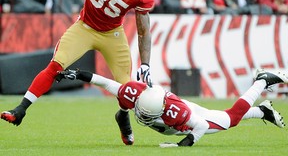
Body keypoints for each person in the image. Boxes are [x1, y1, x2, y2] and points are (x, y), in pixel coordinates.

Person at [0, 0, 155, 146]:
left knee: (127, 87)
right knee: (55, 66)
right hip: (85, 27)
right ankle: (20, 109)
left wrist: (146, 64)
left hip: (112, 34)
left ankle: (123, 115)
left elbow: (144, 30)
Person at [55, 68, 287, 147]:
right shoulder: (133, 93)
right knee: (222, 117)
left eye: (148, 116)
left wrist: (182, 144)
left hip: (188, 119)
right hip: (173, 118)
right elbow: (103, 80)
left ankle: (262, 81)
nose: (144, 117)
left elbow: (201, 126)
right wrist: (75, 74)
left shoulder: (177, 113)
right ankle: (262, 111)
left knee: (231, 119)